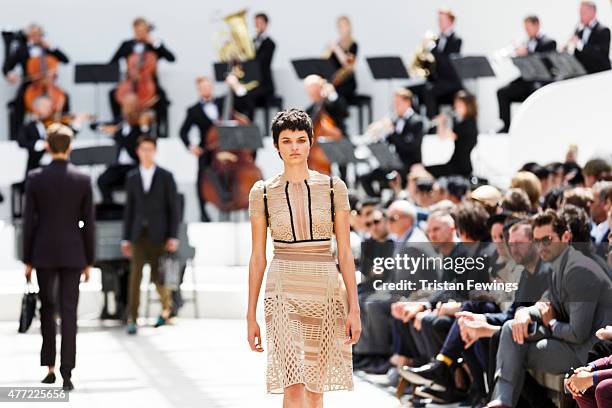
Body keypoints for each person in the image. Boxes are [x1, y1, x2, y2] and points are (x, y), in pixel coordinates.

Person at [247, 109, 360, 406]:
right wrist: (250, 315)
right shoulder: (262, 192)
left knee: (314, 389)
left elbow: (345, 253)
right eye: (286, 141)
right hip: (282, 289)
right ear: (276, 146)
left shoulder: (335, 188)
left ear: (311, 143)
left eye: (300, 140)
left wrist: (355, 309)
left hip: (325, 290)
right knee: (293, 385)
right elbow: (258, 256)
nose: (294, 147)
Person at [487, 209, 612, 408]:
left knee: (512, 350)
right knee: (511, 328)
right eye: (537, 241)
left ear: (566, 237)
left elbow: (577, 334)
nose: (541, 246)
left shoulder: (579, 270)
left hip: (588, 350)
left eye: (547, 239)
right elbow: (545, 303)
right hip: (569, 341)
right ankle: (501, 401)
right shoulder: (557, 265)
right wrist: (525, 313)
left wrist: (551, 323)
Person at [22, 124, 95, 392]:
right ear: (70, 147)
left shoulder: (36, 177)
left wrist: (26, 258)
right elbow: (89, 222)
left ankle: (50, 366)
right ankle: (68, 371)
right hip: (74, 252)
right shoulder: (82, 179)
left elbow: (29, 220)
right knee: (69, 312)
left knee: (48, 308)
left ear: (49, 147)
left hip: (43, 251)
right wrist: (89, 259)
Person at [121, 135, 179, 335]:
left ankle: (166, 309)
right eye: (143, 149)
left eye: (150, 149)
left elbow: (174, 208)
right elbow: (129, 209)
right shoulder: (132, 177)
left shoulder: (165, 176)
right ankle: (132, 318)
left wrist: (173, 235)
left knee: (159, 276)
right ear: (138, 151)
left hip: (159, 234)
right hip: (138, 234)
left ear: (155, 151)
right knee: (135, 277)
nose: (146, 153)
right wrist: (126, 237)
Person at [109, 17, 175, 138]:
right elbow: (112, 63)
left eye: (142, 30)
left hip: (149, 83)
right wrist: (127, 74)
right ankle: (117, 127)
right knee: (113, 94)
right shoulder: (126, 45)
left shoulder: (154, 45)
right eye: (137, 30)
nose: (139, 33)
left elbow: (171, 58)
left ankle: (162, 133)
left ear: (147, 30)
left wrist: (155, 43)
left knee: (163, 99)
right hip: (130, 83)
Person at [3, 23, 70, 140]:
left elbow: (65, 60)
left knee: (65, 97)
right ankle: (15, 138)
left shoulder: (48, 49)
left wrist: (52, 48)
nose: (36, 37)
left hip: (50, 85)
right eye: (33, 34)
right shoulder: (22, 50)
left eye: (38, 34)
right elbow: (8, 67)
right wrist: (10, 74)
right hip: (30, 85)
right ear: (28, 35)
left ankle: (65, 131)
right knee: (17, 104)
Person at [497, 15, 557, 133]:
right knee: (502, 92)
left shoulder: (549, 42)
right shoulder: (525, 42)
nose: (527, 31)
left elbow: (546, 62)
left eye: (529, 28)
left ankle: (535, 126)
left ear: (537, 25)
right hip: (526, 79)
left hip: (542, 81)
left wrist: (528, 52)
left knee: (535, 90)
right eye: (525, 28)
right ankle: (506, 126)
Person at [359, 88, 425, 197]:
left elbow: (409, 146)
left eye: (398, 103)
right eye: (394, 103)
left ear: (407, 102)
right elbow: (388, 141)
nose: (395, 106)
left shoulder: (417, 121)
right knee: (364, 177)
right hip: (394, 164)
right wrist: (376, 135)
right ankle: (377, 203)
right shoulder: (396, 120)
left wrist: (392, 130)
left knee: (393, 176)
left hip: (409, 165)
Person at [179, 76, 223, 222]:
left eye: (208, 86)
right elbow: (183, 131)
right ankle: (203, 213)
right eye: (203, 87)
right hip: (207, 149)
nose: (206, 89)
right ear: (199, 90)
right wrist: (191, 147)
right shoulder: (194, 110)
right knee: (201, 179)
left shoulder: (223, 102)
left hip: (226, 147)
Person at [97, 93, 153, 204]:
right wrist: (104, 128)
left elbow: (137, 141)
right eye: (126, 105)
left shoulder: (140, 124)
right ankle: (111, 208)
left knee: (134, 182)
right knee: (102, 181)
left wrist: (117, 133)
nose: (128, 108)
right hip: (118, 166)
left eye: (131, 105)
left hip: (134, 165)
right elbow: (98, 126)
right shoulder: (120, 121)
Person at [409, 9, 463, 119]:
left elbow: (447, 63)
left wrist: (433, 49)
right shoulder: (437, 40)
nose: (440, 22)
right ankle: (417, 124)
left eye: (443, 20)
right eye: (439, 20)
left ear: (451, 21)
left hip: (450, 82)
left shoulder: (456, 41)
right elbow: (432, 64)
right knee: (408, 91)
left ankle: (432, 128)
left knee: (428, 91)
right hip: (435, 81)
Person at [425, 90, 478, 178]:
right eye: (456, 104)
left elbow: (444, 136)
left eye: (459, 105)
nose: (456, 107)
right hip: (459, 164)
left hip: (459, 167)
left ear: (468, 106)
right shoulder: (467, 122)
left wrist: (442, 122)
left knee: (427, 171)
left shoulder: (467, 124)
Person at [566, 1, 611, 74]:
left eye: (583, 12)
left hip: (601, 74)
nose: (580, 15)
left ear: (593, 12)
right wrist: (567, 50)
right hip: (585, 74)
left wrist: (579, 44)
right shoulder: (579, 31)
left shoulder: (603, 30)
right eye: (580, 12)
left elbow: (601, 53)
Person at [326, 15, 358, 99]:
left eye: (344, 25)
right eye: (339, 26)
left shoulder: (353, 45)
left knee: (333, 96)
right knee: (323, 93)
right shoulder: (335, 44)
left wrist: (337, 49)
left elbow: (348, 65)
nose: (342, 28)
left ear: (349, 27)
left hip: (347, 82)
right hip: (334, 81)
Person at [251, 12, 276, 107]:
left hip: (265, 85)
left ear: (266, 24)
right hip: (253, 84)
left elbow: (261, 62)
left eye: (260, 22)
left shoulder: (270, 43)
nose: (257, 25)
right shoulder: (252, 42)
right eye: (256, 23)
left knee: (249, 96)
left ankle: (249, 122)